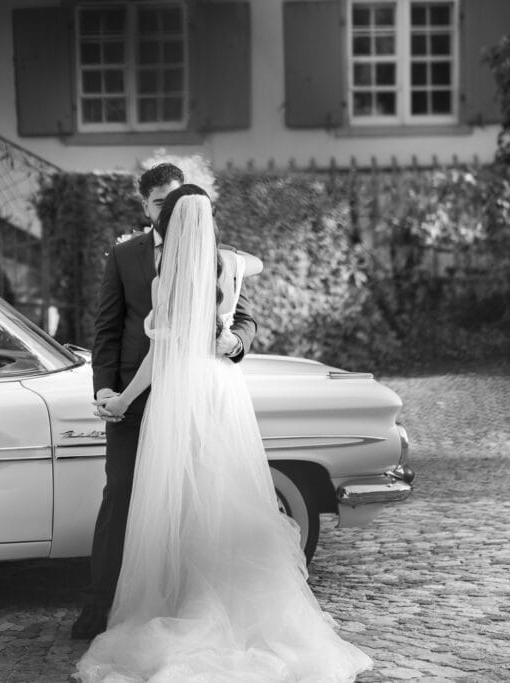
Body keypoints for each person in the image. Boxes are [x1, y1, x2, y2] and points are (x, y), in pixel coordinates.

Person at [75, 187, 372, 681]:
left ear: (170, 223)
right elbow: (251, 270)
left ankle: (185, 603)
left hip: (179, 394)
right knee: (220, 496)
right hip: (221, 393)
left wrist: (123, 400)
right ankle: (229, 606)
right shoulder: (230, 266)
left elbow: (162, 354)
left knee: (180, 501)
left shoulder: (169, 277)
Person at [71, 168, 257, 640]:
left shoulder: (219, 257)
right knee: (122, 496)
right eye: (159, 203)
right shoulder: (124, 254)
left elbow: (243, 319)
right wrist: (105, 390)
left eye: (174, 202)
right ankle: (100, 604)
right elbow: (107, 328)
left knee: (194, 502)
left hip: (189, 399)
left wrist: (234, 340)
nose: (168, 211)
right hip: (138, 401)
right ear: (146, 205)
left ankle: (184, 602)